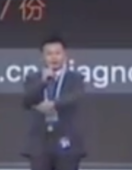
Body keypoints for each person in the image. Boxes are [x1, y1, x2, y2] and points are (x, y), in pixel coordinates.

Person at [21, 35, 85, 170]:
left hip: (66, 140)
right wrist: (44, 82)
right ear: (42, 57)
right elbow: (27, 101)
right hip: (40, 143)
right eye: (49, 54)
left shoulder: (75, 78)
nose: (54, 57)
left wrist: (53, 104)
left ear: (65, 55)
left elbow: (74, 97)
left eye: (57, 53)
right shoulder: (33, 78)